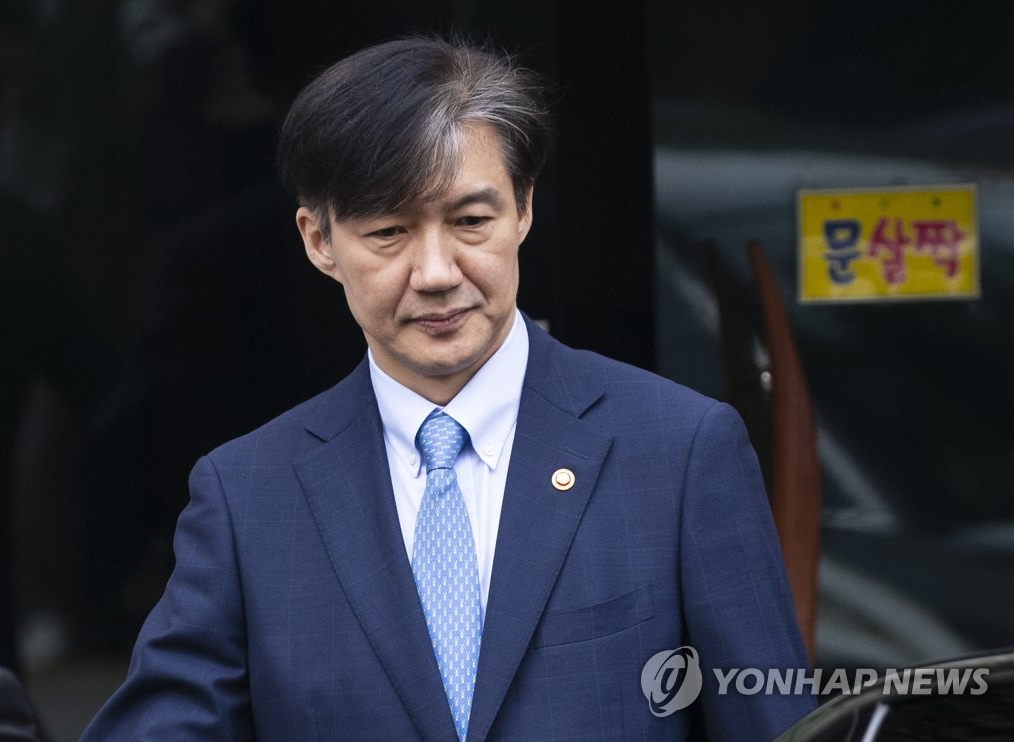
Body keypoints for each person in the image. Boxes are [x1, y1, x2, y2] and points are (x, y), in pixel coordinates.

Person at [83, 35, 815, 740]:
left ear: (522, 209)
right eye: (388, 232)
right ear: (319, 241)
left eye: (470, 221)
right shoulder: (248, 497)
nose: (435, 273)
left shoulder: (679, 452)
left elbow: (773, 724)